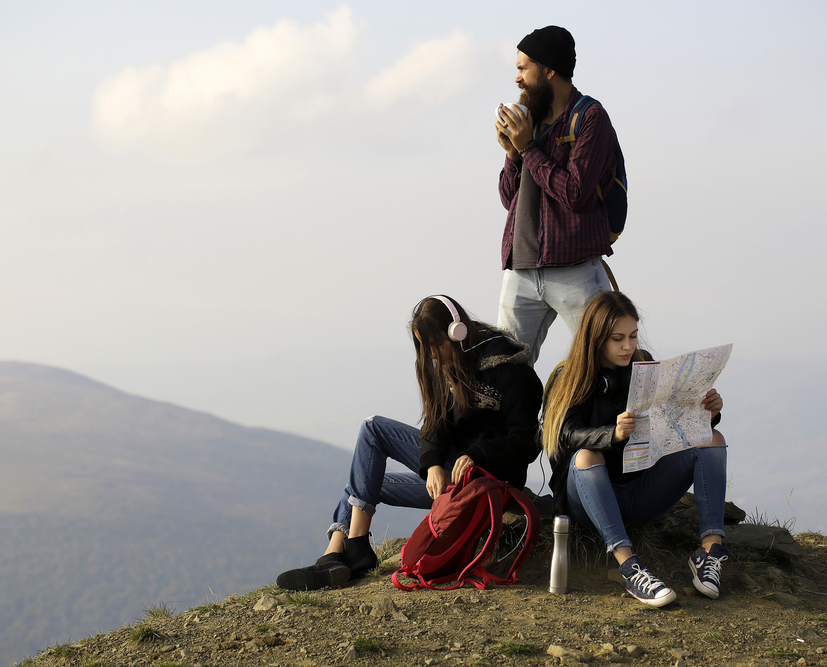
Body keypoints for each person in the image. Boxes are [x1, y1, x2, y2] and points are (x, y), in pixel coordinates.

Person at [276, 295, 544, 590]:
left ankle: (349, 552)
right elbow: (436, 424)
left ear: (458, 332)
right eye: (423, 346)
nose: (430, 354)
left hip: (485, 483)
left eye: (435, 344)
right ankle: (337, 554)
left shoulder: (514, 373)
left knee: (372, 430)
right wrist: (431, 465)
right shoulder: (453, 364)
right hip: (452, 474)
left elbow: (526, 442)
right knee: (365, 476)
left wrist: (478, 454)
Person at [541, 292, 730, 607]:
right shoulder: (570, 376)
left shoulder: (644, 368)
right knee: (588, 456)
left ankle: (709, 552)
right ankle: (630, 566)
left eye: (632, 336)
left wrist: (706, 414)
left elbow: (671, 427)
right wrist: (611, 434)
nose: (628, 346)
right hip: (587, 498)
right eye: (617, 339)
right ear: (596, 338)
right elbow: (566, 435)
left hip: (641, 489)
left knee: (713, 439)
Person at [494, 25, 621, 365]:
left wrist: (529, 148)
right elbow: (510, 200)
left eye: (523, 68)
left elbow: (576, 193)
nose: (517, 78)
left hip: (576, 269)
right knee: (506, 375)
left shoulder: (591, 117)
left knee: (604, 365)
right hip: (520, 269)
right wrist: (512, 153)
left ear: (549, 70)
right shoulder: (528, 118)